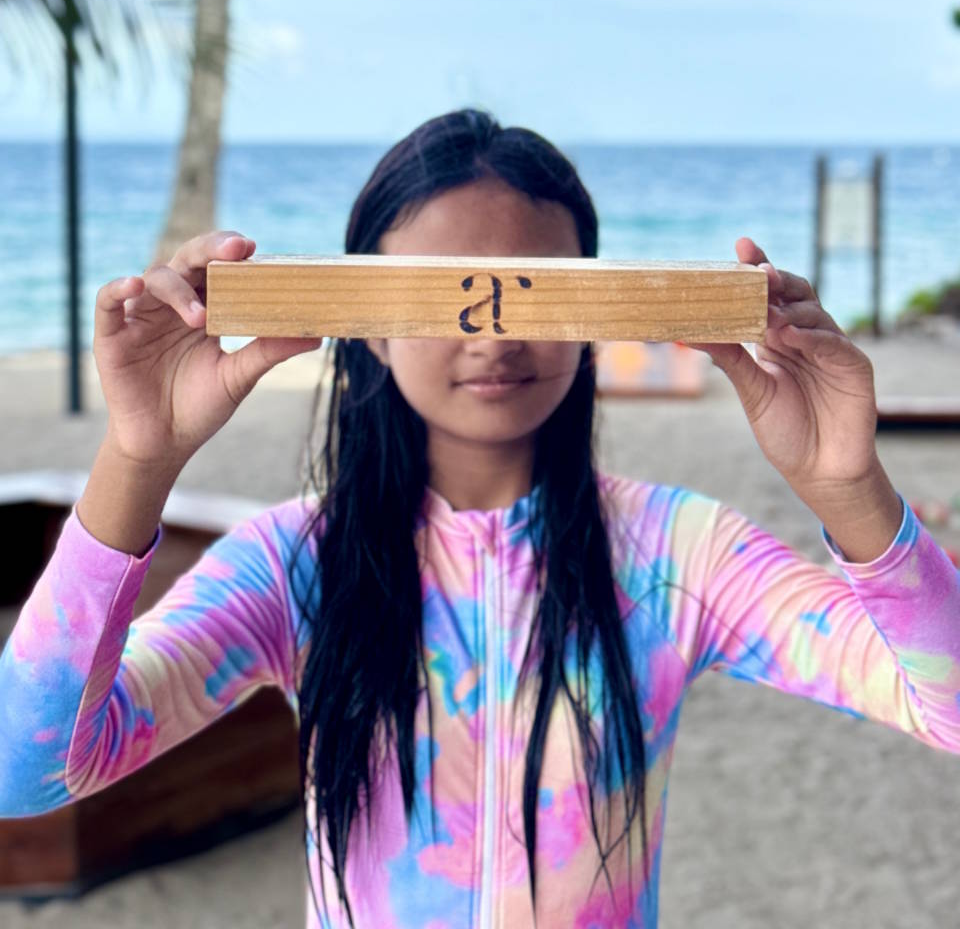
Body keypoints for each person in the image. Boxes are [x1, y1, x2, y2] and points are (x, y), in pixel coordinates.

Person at [1, 108, 959, 929]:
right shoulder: (295, 564)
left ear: (590, 310)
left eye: (533, 290)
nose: (492, 331)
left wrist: (845, 485)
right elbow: (28, 772)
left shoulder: (677, 556)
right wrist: (140, 456)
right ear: (368, 317)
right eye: (445, 294)